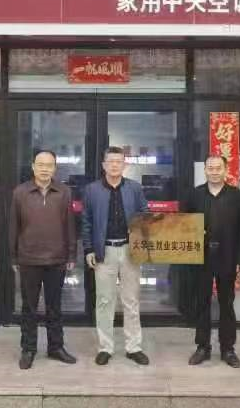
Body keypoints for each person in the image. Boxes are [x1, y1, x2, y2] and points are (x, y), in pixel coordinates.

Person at [81, 146, 150, 366]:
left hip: (130, 251)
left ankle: (133, 347)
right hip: (104, 251)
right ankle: (105, 348)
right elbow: (86, 221)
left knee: (131, 301)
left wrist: (142, 245)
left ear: (124, 165)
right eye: (110, 161)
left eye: (118, 161)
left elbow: (145, 216)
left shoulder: (134, 188)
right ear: (104, 165)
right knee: (104, 301)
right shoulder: (92, 190)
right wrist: (89, 249)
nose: (114, 165)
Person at [10, 149, 77, 370]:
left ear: (55, 168)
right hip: (28, 258)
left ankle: (56, 347)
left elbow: (70, 225)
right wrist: (13, 256)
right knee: (29, 307)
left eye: (49, 165)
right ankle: (28, 349)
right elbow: (13, 226)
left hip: (57, 259)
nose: (45, 169)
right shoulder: (20, 192)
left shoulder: (64, 192)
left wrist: (71, 254)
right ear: (33, 167)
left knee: (54, 306)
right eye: (41, 164)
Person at [183, 155, 240, 368]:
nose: (214, 171)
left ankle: (228, 348)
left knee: (226, 303)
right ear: (205, 171)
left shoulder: (237, 196)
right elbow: (183, 225)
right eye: (210, 168)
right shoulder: (194, 195)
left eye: (218, 168)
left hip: (228, 256)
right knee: (202, 302)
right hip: (200, 256)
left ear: (226, 170)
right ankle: (203, 347)